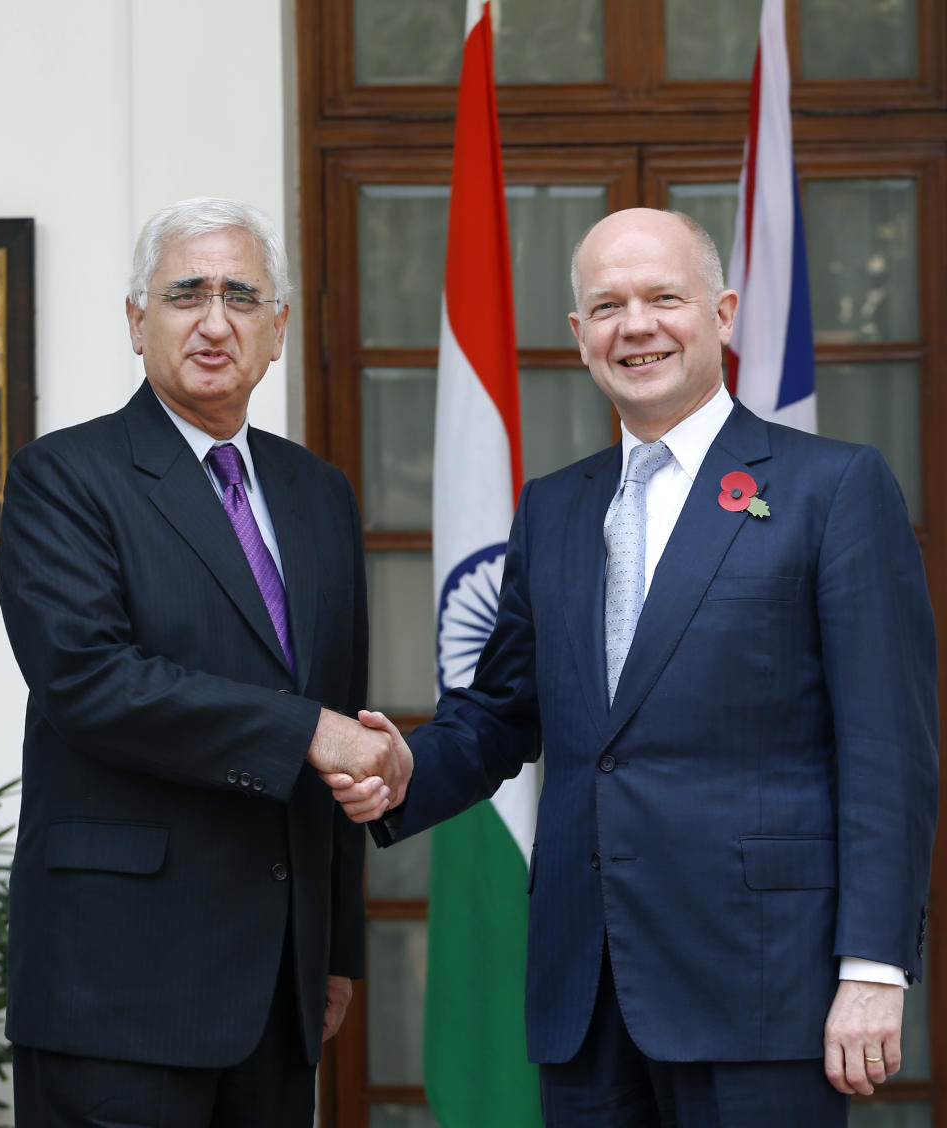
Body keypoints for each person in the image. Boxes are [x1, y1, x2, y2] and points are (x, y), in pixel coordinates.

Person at [327, 208, 938, 1127]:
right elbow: (501, 711)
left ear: (723, 313)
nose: (636, 326)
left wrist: (873, 969)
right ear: (580, 337)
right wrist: (408, 766)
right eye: (607, 306)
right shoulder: (554, 509)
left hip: (763, 985)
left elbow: (888, 751)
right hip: (587, 987)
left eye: (664, 298)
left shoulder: (832, 488)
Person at [0, 197, 406, 1127]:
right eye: (185, 294)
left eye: (242, 296)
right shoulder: (64, 477)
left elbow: (340, 710)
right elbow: (91, 681)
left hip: (277, 991)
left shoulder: (318, 493)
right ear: (139, 323)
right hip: (119, 989)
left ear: (279, 330)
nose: (215, 321)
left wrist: (333, 946)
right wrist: (307, 731)